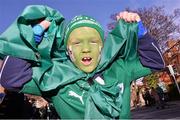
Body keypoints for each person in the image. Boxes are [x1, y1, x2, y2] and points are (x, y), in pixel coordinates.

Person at [0, 5, 165, 119]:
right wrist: (29, 40)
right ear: (68, 50)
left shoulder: (120, 68)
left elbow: (155, 62)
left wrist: (141, 33)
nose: (86, 49)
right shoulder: (54, 78)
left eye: (93, 41)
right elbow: (11, 80)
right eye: (77, 43)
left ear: (102, 47)